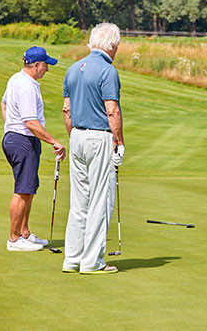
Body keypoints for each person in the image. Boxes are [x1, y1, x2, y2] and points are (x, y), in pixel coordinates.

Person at [61, 22, 125, 275]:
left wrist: (74, 137)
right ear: (112, 46)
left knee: (79, 202)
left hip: (76, 135)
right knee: (100, 199)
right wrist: (118, 142)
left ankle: (72, 259)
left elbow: (67, 110)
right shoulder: (107, 70)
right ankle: (92, 262)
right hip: (99, 138)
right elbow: (112, 110)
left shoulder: (73, 68)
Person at [2, 46, 66, 251]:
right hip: (23, 140)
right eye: (45, 65)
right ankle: (13, 239)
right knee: (23, 190)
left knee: (30, 188)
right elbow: (30, 122)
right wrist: (54, 141)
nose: (47, 69)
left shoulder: (16, 78)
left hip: (17, 138)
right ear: (37, 65)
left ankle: (24, 233)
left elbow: (4, 105)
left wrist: (10, 126)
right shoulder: (27, 86)